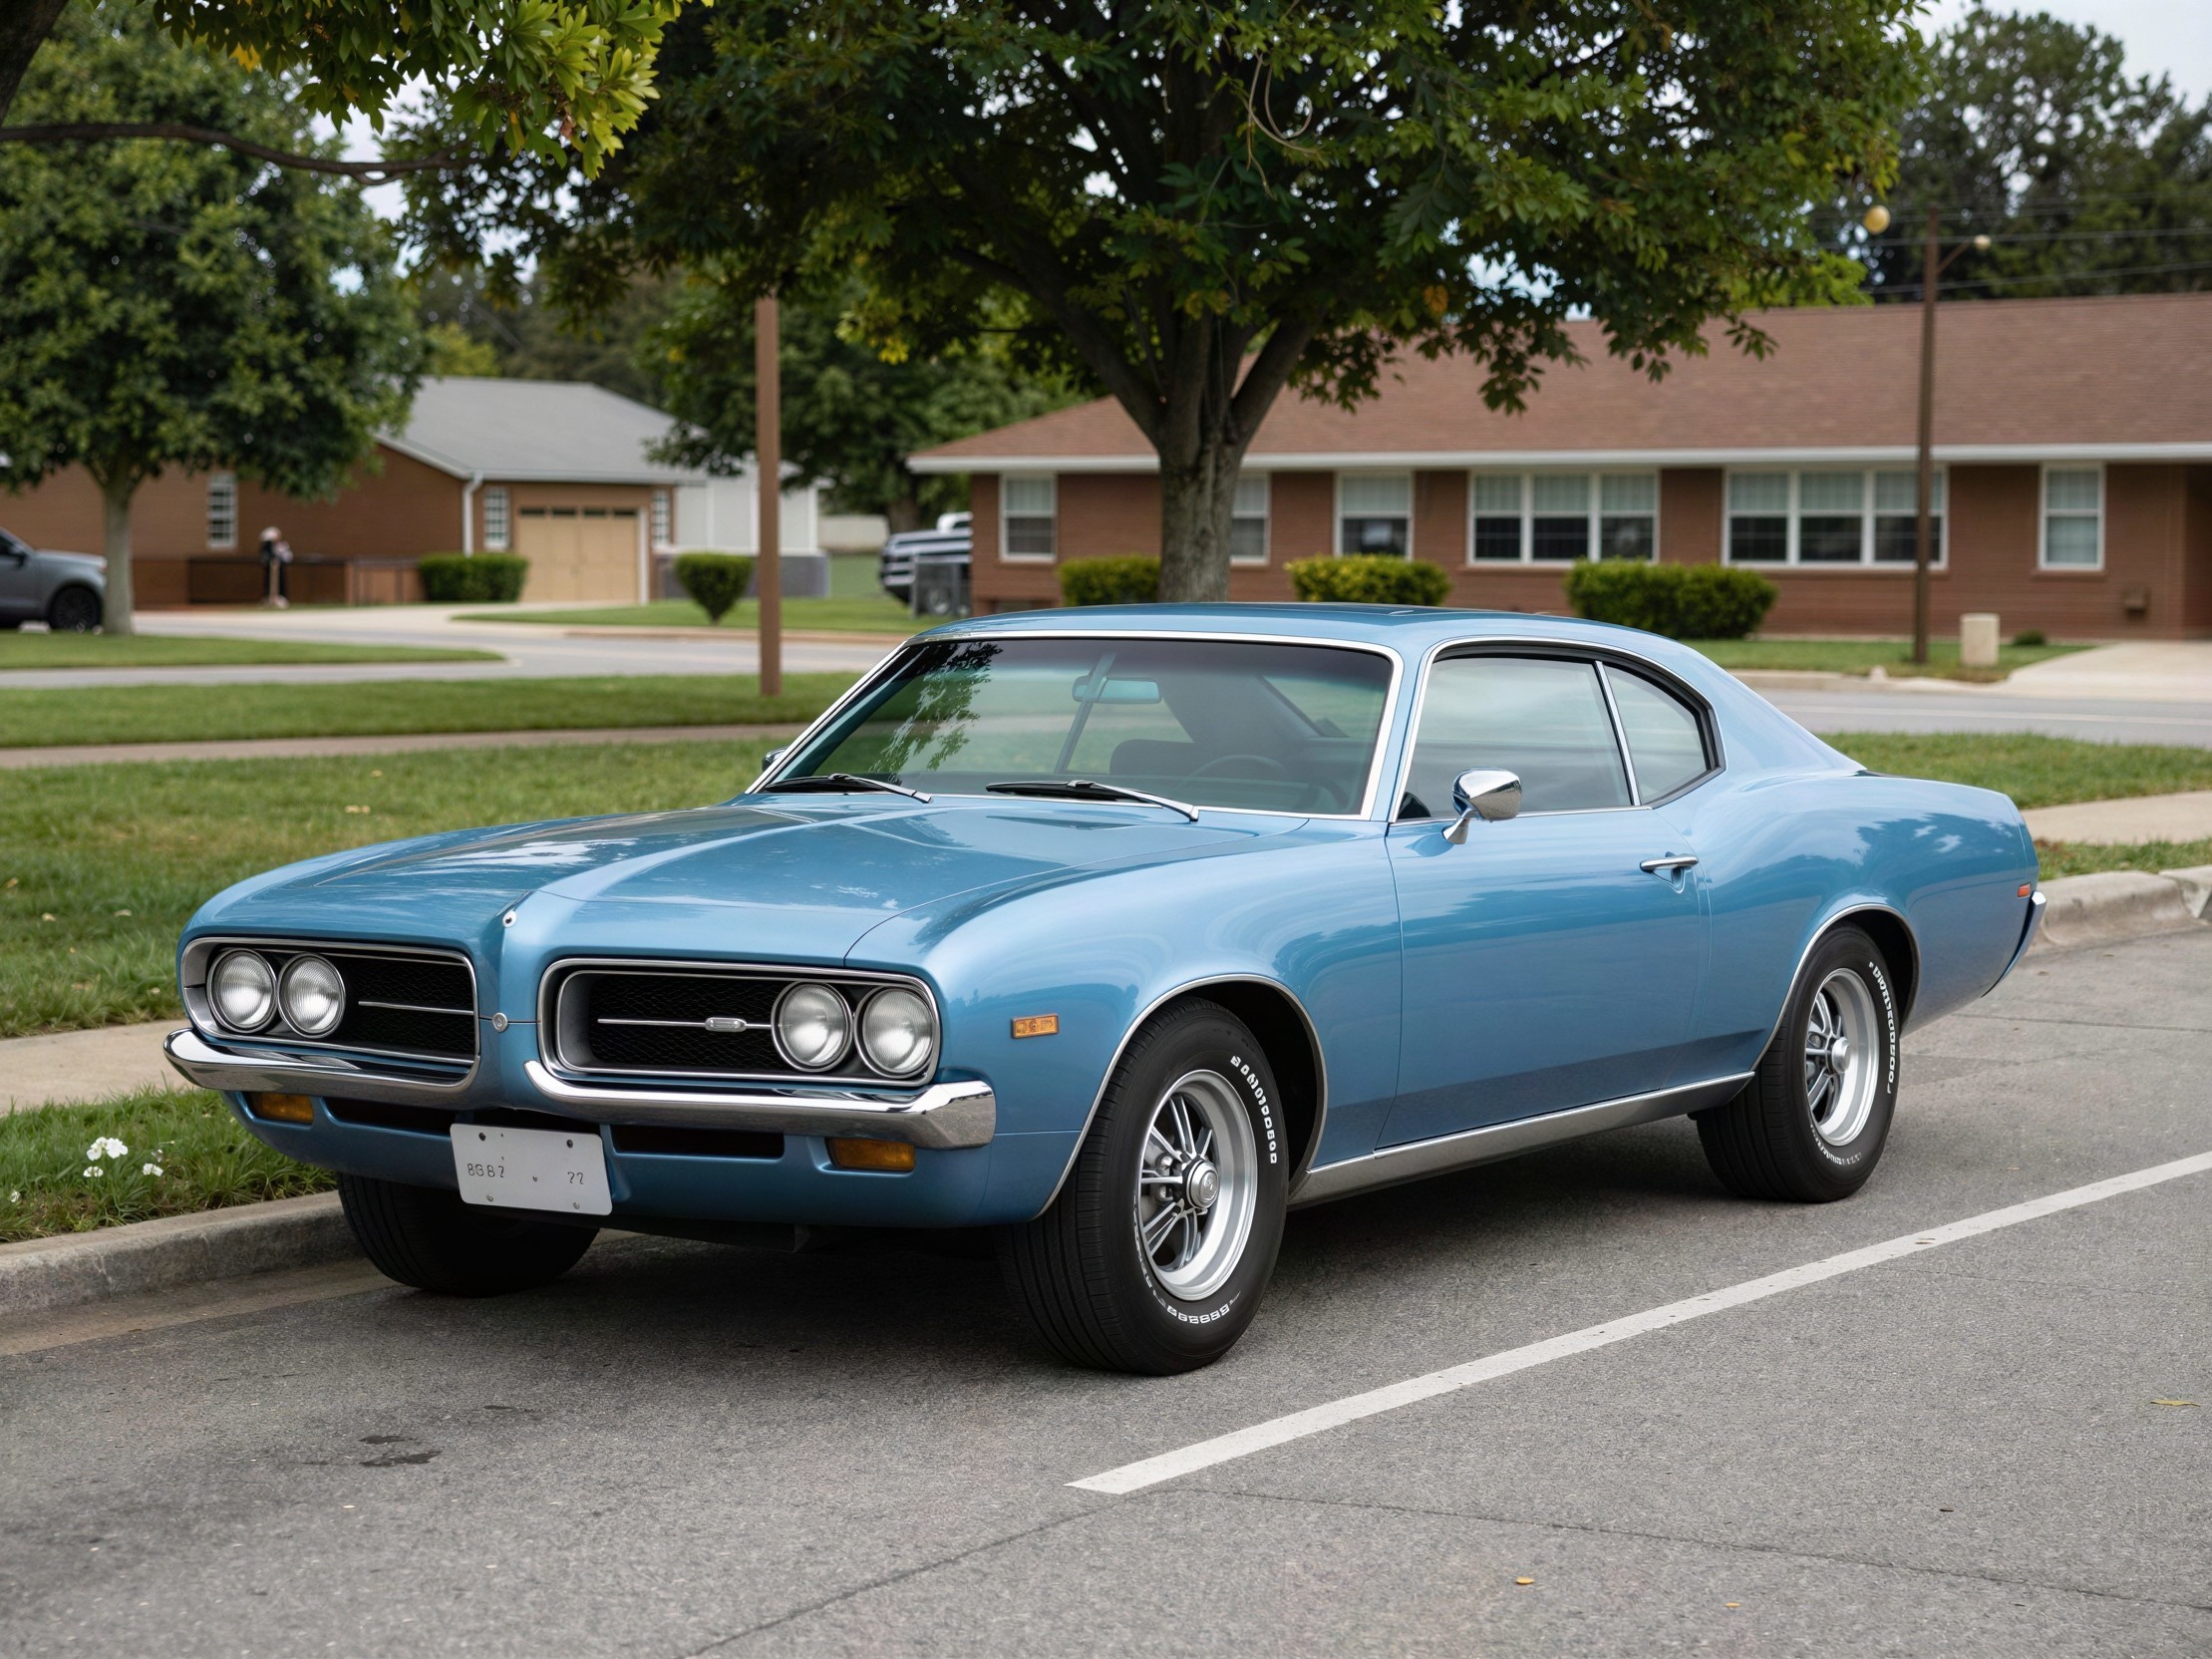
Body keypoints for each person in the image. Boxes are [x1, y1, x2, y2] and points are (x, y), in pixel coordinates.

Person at [257, 525, 292, 608]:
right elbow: (264, 557)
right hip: (270, 569)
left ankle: (281, 598)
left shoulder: (282, 546)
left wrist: (280, 556)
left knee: (281, 583)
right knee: (268, 583)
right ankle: (269, 598)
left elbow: (288, 557)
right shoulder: (267, 547)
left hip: (280, 569)